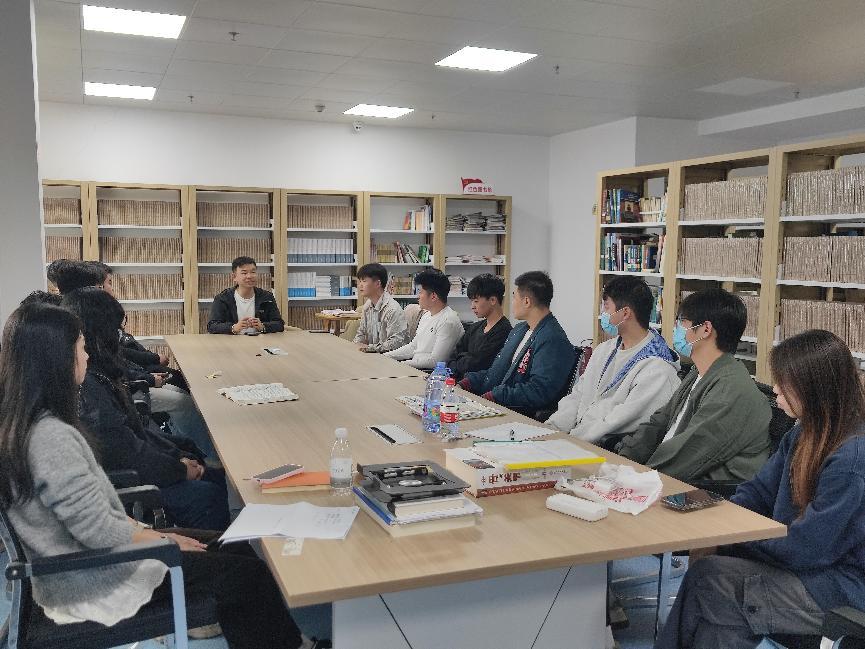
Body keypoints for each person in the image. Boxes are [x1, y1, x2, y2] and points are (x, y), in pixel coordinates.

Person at [0, 302, 309, 649]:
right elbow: (98, 531)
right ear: (56, 359)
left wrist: (152, 534)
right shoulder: (50, 438)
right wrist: (164, 542)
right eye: (81, 348)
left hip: (88, 559)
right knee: (248, 576)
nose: (87, 356)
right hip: (93, 576)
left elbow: (91, 516)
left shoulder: (28, 423)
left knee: (236, 545)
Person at [655, 329, 865, 649]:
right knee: (717, 600)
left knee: (711, 580)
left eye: (785, 382)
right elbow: (757, 492)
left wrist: (734, 535)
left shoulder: (852, 458)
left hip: (839, 587)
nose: (775, 389)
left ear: (814, 387)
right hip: (807, 569)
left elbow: (807, 548)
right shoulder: (803, 433)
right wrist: (721, 519)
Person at [62, 287, 230, 530]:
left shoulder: (99, 372)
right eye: (115, 330)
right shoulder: (89, 386)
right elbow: (125, 451)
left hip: (137, 467)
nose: (119, 337)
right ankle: (208, 547)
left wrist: (178, 456)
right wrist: (179, 469)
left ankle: (225, 543)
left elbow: (134, 435)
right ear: (100, 333)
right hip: (130, 483)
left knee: (206, 467)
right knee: (208, 494)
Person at [616, 288, 771, 483]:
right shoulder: (699, 372)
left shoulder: (731, 390)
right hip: (669, 478)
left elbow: (689, 453)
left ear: (705, 329)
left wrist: (634, 479)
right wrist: (624, 458)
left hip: (705, 491)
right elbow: (660, 421)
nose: (676, 329)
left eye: (682, 322)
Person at [546, 275, 680, 443]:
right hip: (572, 439)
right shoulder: (604, 349)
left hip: (597, 448)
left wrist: (569, 441)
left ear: (625, 313)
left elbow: (616, 423)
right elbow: (578, 395)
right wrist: (551, 430)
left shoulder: (658, 369)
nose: (603, 314)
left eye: (606, 307)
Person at [460, 271, 573, 416]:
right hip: (495, 406)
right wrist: (468, 382)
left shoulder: (552, 339)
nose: (512, 302)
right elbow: (497, 371)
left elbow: (539, 390)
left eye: (514, 297)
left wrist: (496, 396)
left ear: (526, 302)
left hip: (517, 414)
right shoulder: (519, 330)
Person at [384, 268, 464, 369]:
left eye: (420, 292)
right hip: (414, 367)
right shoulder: (426, 315)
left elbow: (435, 361)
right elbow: (413, 347)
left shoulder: (448, 321)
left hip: (430, 373)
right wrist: (386, 356)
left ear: (433, 296)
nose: (418, 296)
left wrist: (402, 364)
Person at [446, 274, 512, 381]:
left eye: (476, 301)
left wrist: (462, 358)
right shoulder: (474, 327)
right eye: (471, 301)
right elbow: (451, 358)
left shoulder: (505, 332)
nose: (472, 306)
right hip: (457, 383)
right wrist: (465, 358)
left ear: (492, 300)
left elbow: (477, 365)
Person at [208, 256, 284, 334]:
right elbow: (212, 326)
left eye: (253, 272)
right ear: (234, 277)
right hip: (233, 340)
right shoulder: (222, 298)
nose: (249, 276)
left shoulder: (267, 297)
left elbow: (279, 324)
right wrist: (233, 328)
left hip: (260, 340)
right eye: (244, 273)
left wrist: (263, 326)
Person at [353, 262, 409, 353]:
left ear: (378, 284)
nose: (360, 285)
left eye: (364, 281)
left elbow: (395, 343)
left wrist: (371, 348)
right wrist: (355, 346)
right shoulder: (367, 306)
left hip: (390, 357)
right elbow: (361, 333)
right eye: (360, 281)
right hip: (373, 354)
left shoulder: (392, 309)